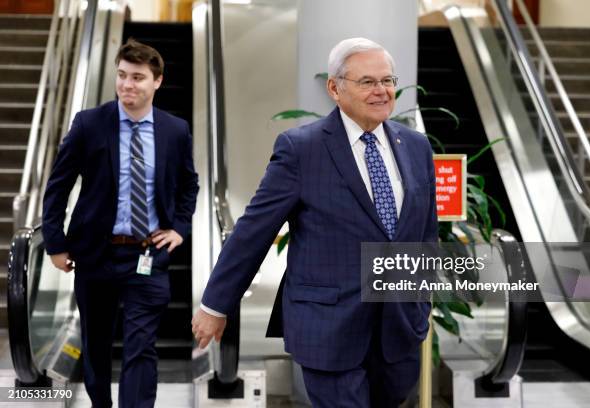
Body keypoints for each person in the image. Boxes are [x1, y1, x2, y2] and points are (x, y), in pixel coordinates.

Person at [192, 37, 437, 407]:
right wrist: (215, 305)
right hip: (329, 328)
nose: (382, 91)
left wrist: (421, 297)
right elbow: (254, 231)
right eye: (367, 82)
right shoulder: (301, 149)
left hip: (398, 329)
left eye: (387, 80)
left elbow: (425, 234)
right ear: (335, 88)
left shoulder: (416, 146)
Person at [42, 39, 199, 408]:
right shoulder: (89, 124)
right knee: (96, 346)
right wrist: (55, 242)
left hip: (148, 255)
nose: (127, 84)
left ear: (157, 81)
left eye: (138, 77)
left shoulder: (174, 130)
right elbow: (57, 186)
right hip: (95, 255)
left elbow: (189, 184)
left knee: (141, 347)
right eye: (122, 75)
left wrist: (178, 228)